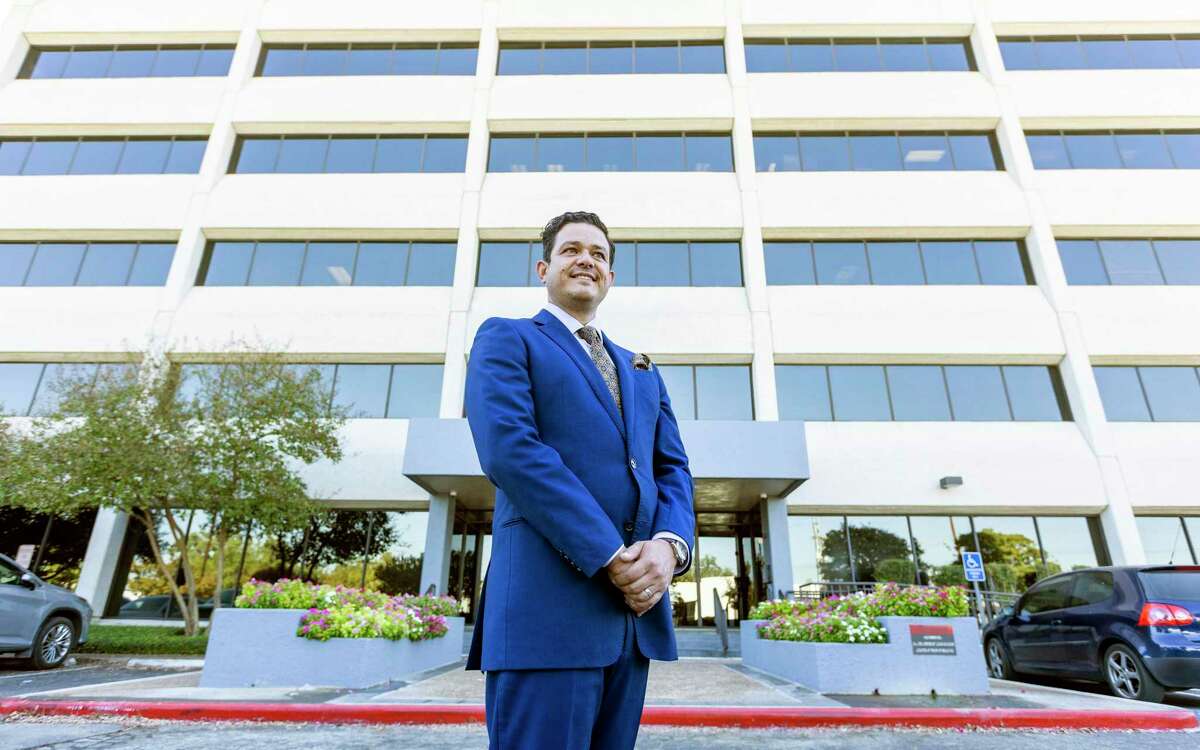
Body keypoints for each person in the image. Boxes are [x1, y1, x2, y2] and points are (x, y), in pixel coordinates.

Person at [463, 210, 696, 749]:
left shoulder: (642, 367)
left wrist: (668, 548)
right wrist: (612, 556)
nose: (586, 259)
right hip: (545, 618)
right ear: (544, 267)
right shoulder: (508, 338)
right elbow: (512, 451)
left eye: (599, 253)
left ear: (610, 277)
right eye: (571, 250)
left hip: (631, 625)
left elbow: (672, 469)